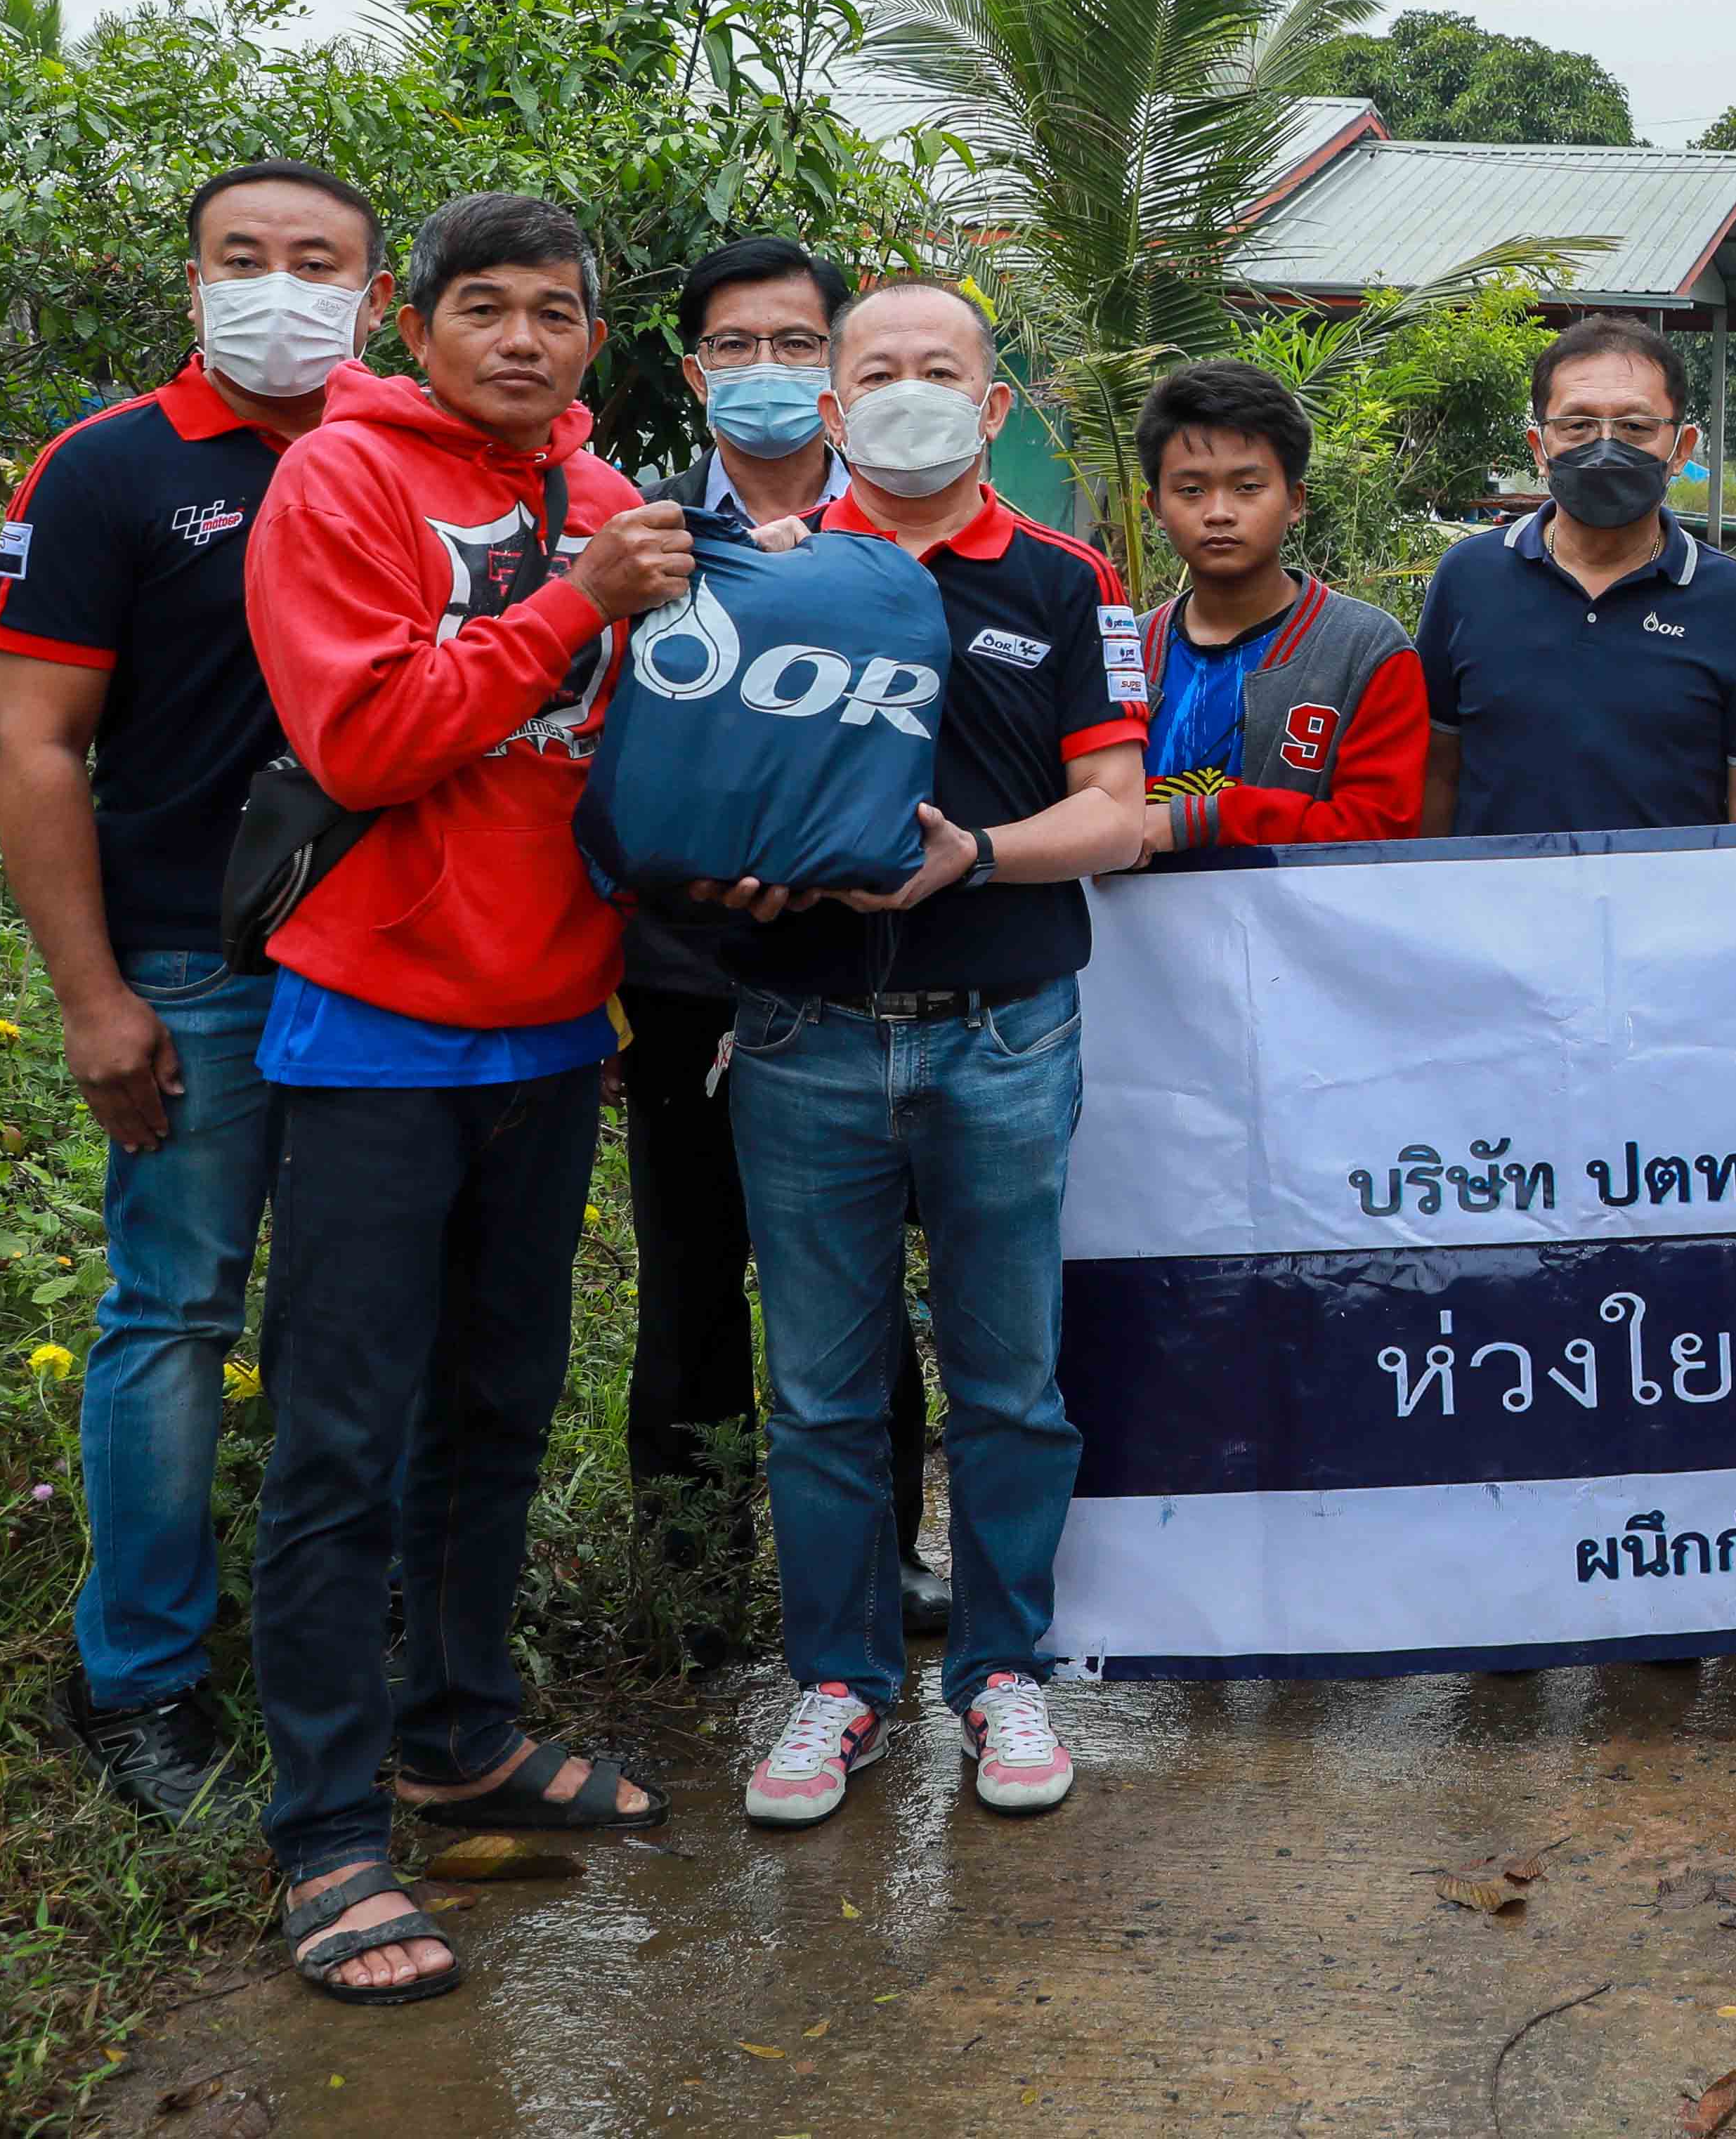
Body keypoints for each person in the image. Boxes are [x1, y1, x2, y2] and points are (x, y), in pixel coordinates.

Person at [241, 191, 697, 2006]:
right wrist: (571, 603)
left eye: (555, 311)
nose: (522, 337)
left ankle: (455, 1732)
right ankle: (325, 1828)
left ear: (594, 337)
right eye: (485, 306)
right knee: (340, 1436)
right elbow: (360, 738)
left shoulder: (603, 495)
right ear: (413, 325)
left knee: (498, 1404)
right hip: (373, 1023)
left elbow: (641, 744)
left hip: (551, 1026)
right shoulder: (339, 483)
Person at [714, 279, 1154, 1831]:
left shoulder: (1063, 579)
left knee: (1010, 1382)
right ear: (831, 409)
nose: (911, 392)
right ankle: (839, 1684)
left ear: (994, 404)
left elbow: (1116, 812)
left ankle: (1002, 1671)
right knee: (821, 1392)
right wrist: (733, 870)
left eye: (942, 369)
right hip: (800, 1032)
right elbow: (691, 789)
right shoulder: (759, 576)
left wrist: (976, 856)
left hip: (1004, 1031)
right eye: (879, 370)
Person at [0, 157, 391, 1824]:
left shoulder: (407, 454)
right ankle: (140, 1677)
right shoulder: (110, 467)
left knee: (359, 1321)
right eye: (243, 257)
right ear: (193, 282)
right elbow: (38, 741)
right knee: (173, 1313)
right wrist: (91, 996)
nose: (278, 287)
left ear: (374, 297)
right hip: (192, 965)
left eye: (316, 261)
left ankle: (342, 1641)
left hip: (391, 968)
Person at [608, 238, 942, 1657]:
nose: (766, 370)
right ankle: (692, 1580)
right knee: (690, 1276)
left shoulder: (901, 534)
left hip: (858, 973)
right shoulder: (635, 539)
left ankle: (883, 1561)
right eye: (734, 346)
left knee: (858, 1281)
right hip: (680, 973)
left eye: (797, 345)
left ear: (838, 371)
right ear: (693, 375)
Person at [1414, 318, 1736, 839]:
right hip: (1496, 889)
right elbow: (1437, 773)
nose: (1605, 447)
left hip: (1669, 892)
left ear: (1682, 448)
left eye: (1636, 427)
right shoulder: (1468, 577)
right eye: (1577, 426)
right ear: (1539, 447)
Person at [1133, 355, 1426, 851]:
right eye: (1191, 490)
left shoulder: (1365, 650)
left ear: (1294, 500)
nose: (1219, 513)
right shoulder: (1124, 651)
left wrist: (1200, 820)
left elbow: (1381, 831)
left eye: (1248, 487)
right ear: (1156, 507)